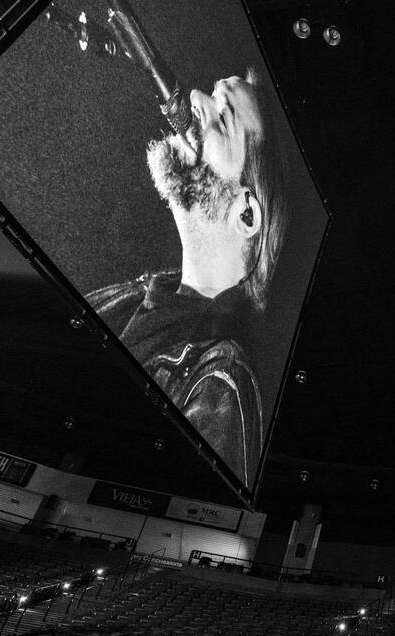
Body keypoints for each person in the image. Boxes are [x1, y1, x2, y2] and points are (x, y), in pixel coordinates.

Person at [85, 69, 289, 481]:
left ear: (246, 214)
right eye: (213, 95)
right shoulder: (126, 299)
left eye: (224, 116)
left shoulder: (219, 381)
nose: (194, 97)